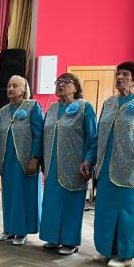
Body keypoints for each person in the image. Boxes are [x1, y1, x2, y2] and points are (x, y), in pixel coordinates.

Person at [92, 61, 134, 267]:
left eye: (125, 74)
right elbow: (98, 135)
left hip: (133, 169)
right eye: (118, 74)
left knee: (129, 213)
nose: (120, 78)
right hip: (106, 167)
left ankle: (125, 254)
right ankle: (106, 250)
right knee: (105, 211)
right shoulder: (109, 102)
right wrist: (90, 159)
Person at [39, 73, 97, 255]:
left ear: (76, 87)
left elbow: (93, 138)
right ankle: (52, 237)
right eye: (58, 82)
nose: (60, 85)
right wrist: (41, 159)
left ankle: (70, 241)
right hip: (51, 163)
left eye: (66, 82)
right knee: (52, 201)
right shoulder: (52, 108)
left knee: (71, 202)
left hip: (74, 164)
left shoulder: (85, 107)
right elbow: (43, 135)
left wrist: (89, 160)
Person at [0, 75, 44, 246]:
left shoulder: (33, 106)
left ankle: (22, 231)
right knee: (9, 195)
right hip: (7, 160)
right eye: (9, 86)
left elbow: (39, 134)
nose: (10, 89)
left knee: (24, 195)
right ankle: (9, 228)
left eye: (15, 86)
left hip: (26, 160)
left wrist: (35, 158)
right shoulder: (3, 111)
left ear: (24, 89)